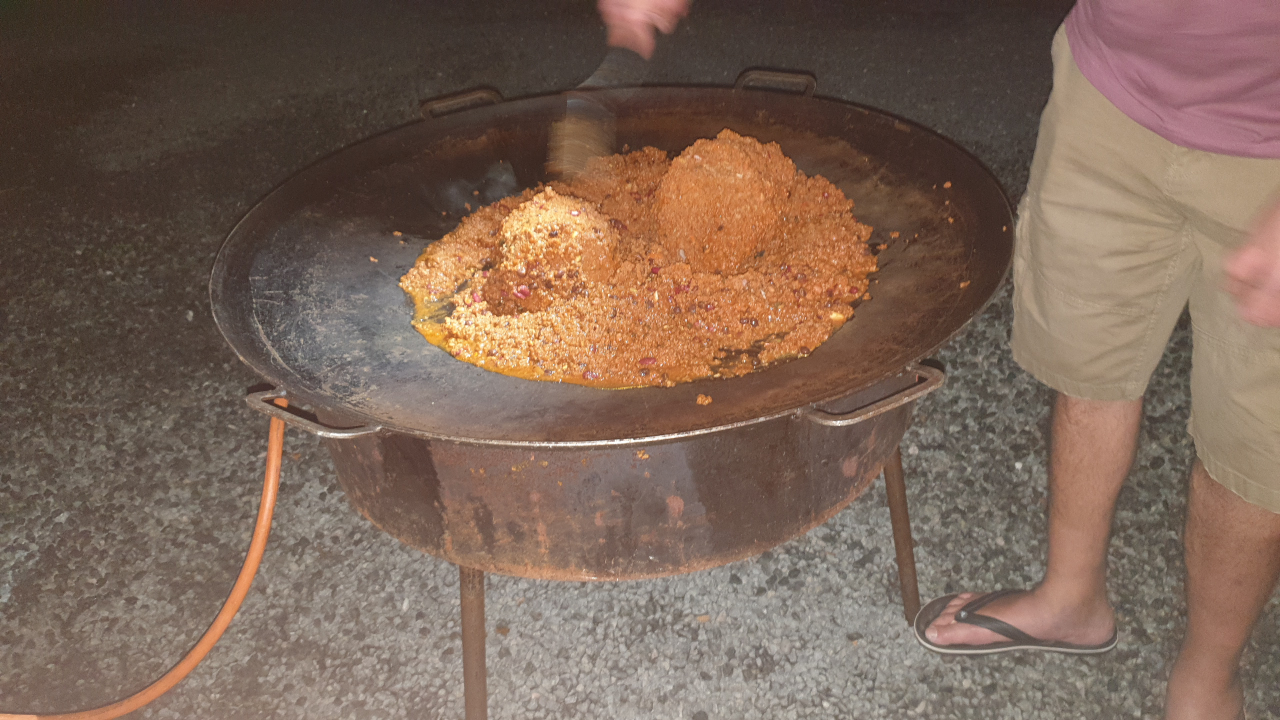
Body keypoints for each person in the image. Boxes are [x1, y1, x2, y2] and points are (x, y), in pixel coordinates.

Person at [596, 1, 1280, 718]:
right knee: (1089, 365)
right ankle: (1071, 598)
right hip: (1112, 93)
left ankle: (1210, 676)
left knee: (1255, 447)